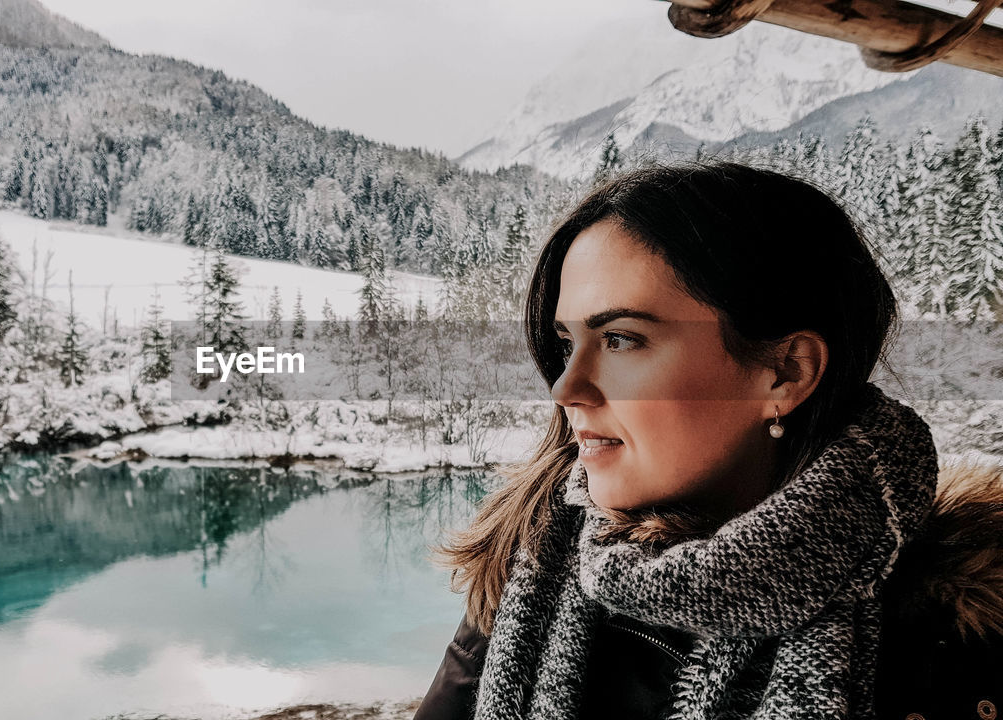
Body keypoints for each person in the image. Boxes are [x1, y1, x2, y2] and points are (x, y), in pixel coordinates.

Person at [412, 161, 1003, 720]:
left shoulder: (958, 638)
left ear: (786, 372)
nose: (565, 388)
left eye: (621, 339)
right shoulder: (532, 565)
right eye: (567, 341)